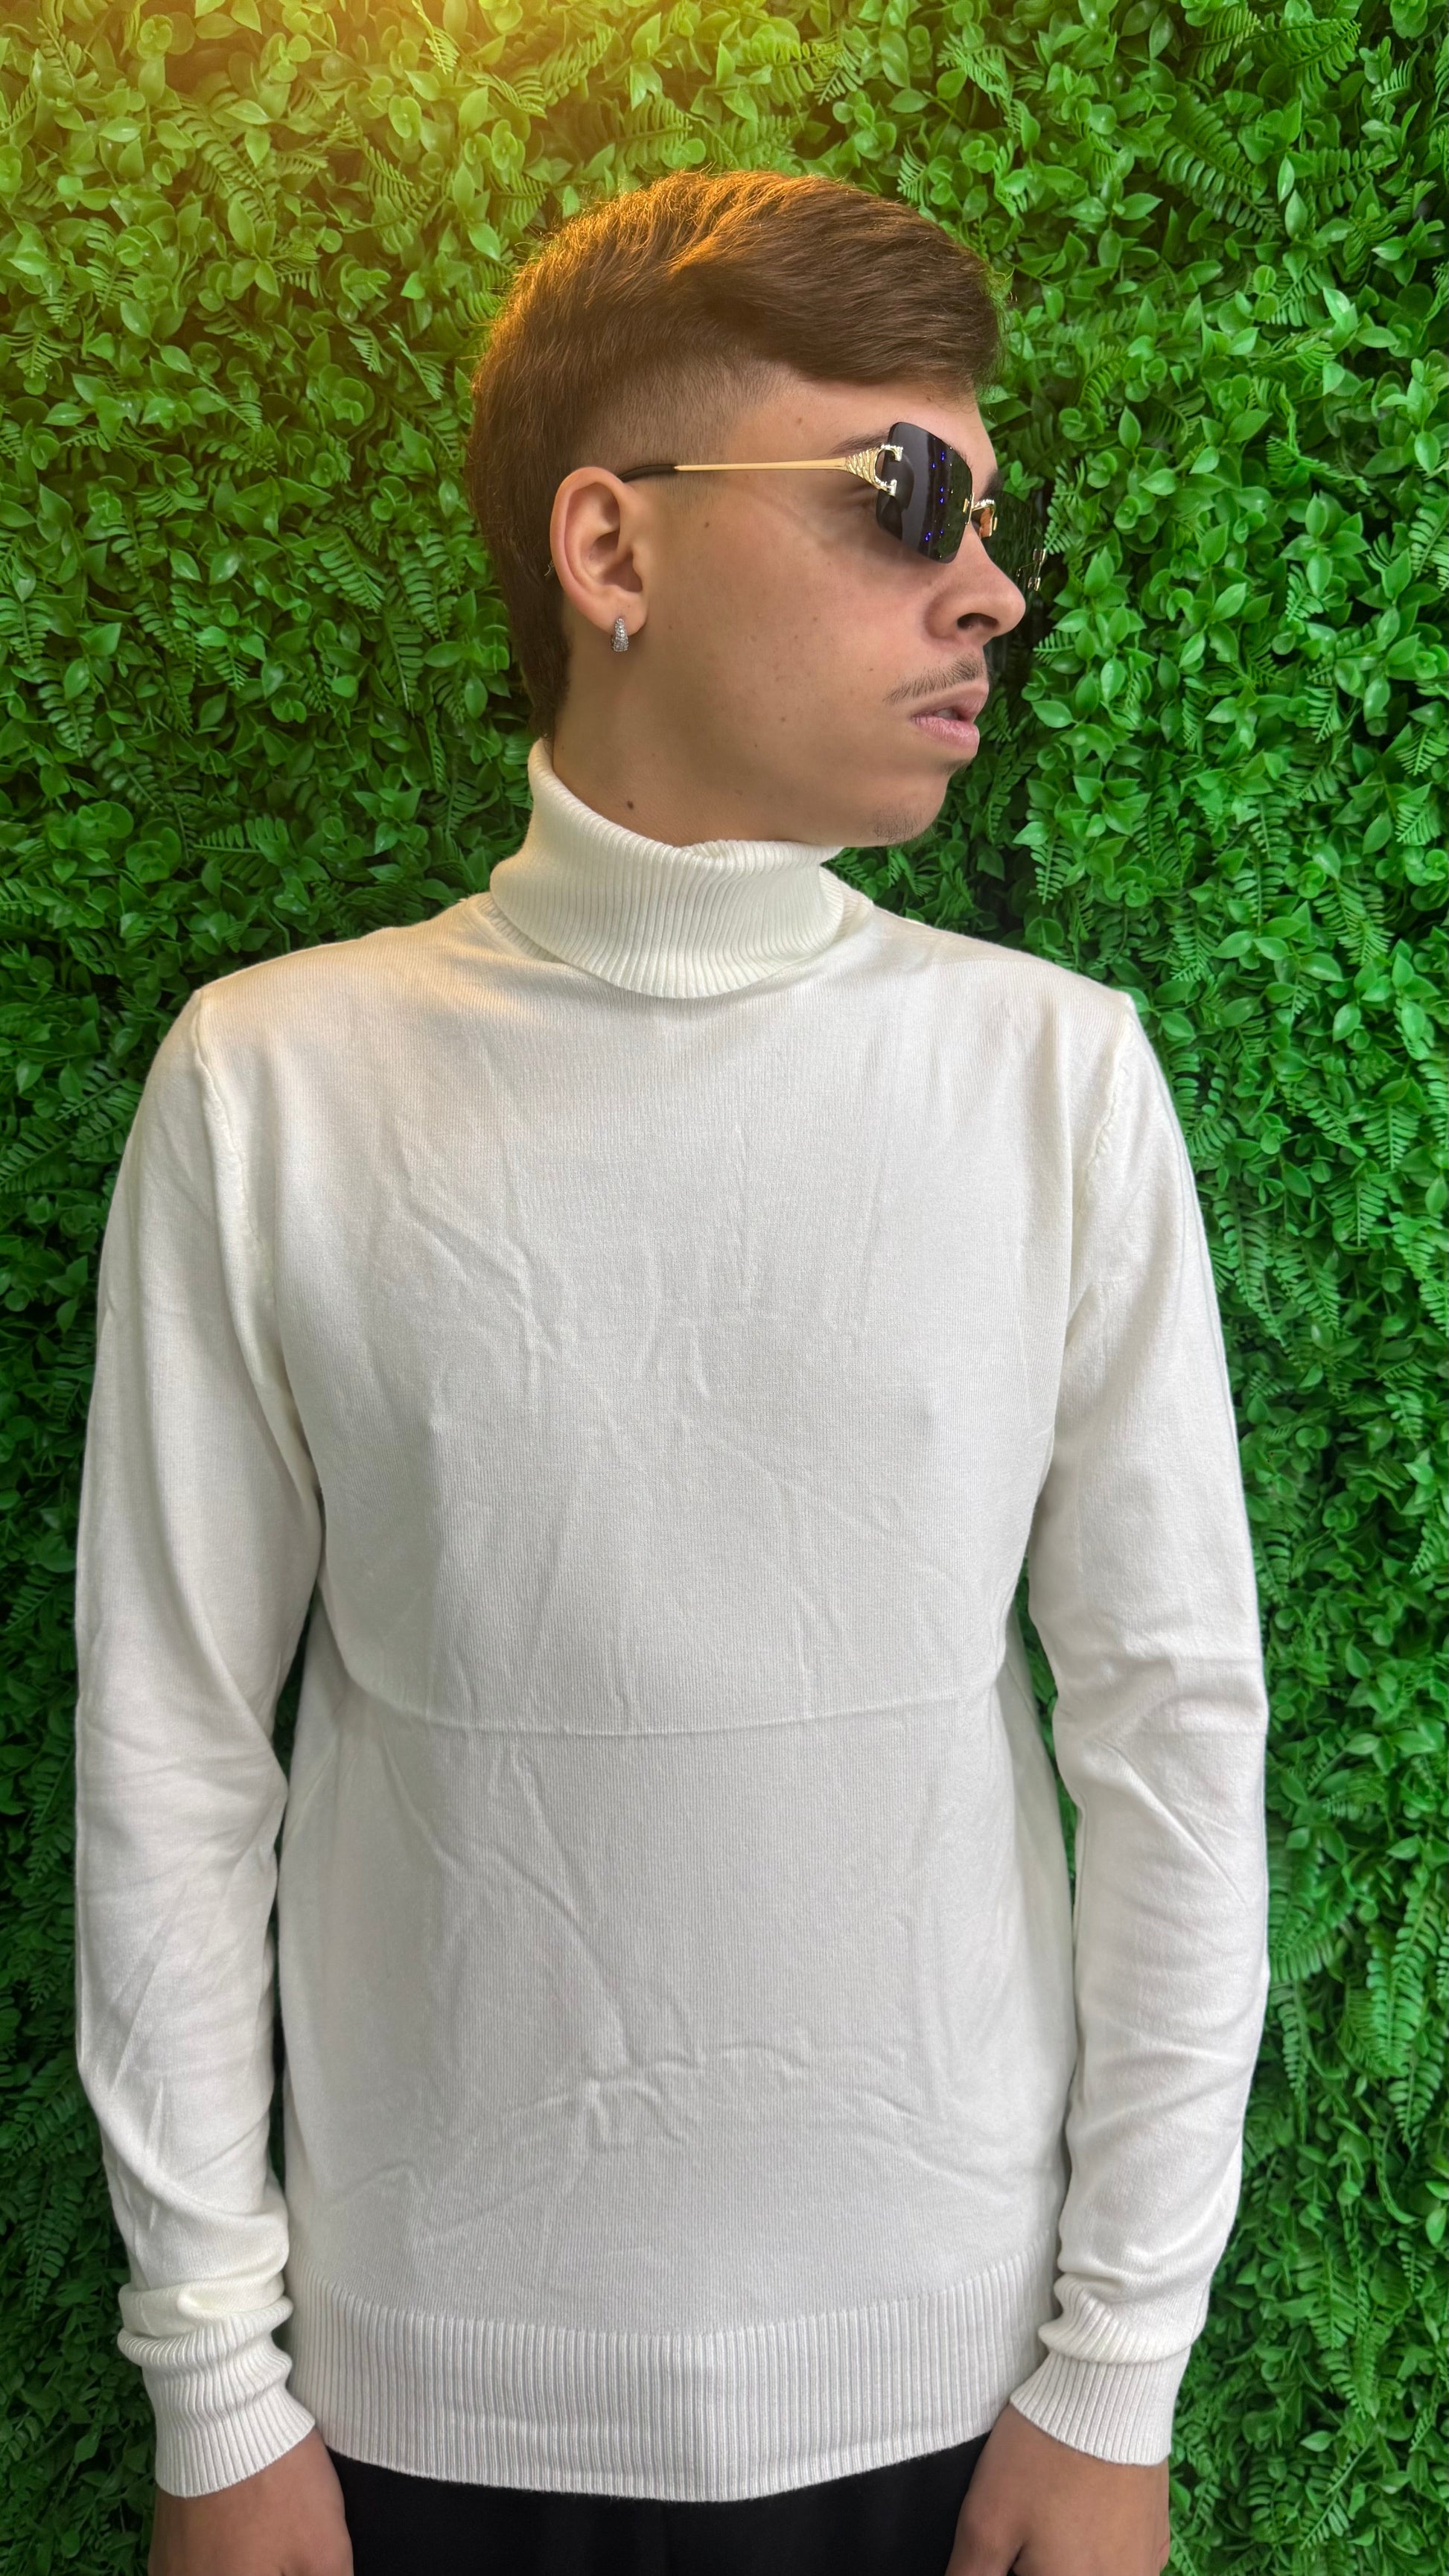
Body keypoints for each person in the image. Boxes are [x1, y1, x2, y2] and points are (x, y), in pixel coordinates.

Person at [72, 168, 1271, 2576]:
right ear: (609, 547)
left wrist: (1116, 2370)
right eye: (898, 496)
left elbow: (1171, 1728)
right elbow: (173, 1744)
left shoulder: (1050, 1079)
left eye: (986, 516)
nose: (986, 588)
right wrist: (214, 2386)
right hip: (415, 2411)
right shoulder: (274, 1084)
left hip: (960, 2403)